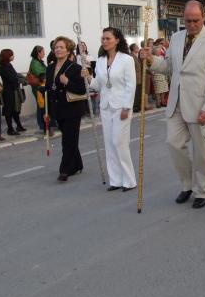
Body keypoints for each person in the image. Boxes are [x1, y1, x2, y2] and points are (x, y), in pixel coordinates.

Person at [141, 0, 205, 209]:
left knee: (201, 152)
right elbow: (169, 67)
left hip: (200, 105)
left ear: (203, 18)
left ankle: (202, 190)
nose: (191, 24)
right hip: (176, 102)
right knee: (173, 143)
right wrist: (151, 59)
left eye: (196, 20)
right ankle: (187, 185)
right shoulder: (177, 38)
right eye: (188, 21)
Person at [83, 27, 137, 192]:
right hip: (105, 106)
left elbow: (131, 85)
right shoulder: (100, 61)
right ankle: (116, 180)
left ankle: (129, 180)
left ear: (117, 40)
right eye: (103, 39)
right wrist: (88, 77)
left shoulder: (126, 59)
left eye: (108, 38)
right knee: (109, 143)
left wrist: (127, 107)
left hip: (121, 106)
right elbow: (98, 85)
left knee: (119, 142)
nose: (105, 41)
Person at [45, 36, 88, 182]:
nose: (58, 50)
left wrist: (68, 82)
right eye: (56, 47)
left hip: (72, 109)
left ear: (68, 50)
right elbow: (49, 87)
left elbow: (82, 89)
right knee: (70, 138)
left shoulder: (75, 68)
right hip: (58, 108)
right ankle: (77, 164)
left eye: (61, 47)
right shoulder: (50, 67)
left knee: (68, 140)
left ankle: (65, 170)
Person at [0, 49, 26, 136]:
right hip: (8, 92)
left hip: (13, 90)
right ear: (7, 56)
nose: (13, 56)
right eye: (12, 55)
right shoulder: (4, 66)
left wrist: (20, 78)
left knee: (15, 109)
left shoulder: (9, 65)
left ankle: (19, 125)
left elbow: (15, 75)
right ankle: (10, 129)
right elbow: (12, 78)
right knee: (9, 110)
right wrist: (19, 80)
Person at [28, 45, 47, 131]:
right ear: (38, 53)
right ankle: (42, 124)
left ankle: (45, 124)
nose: (44, 53)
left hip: (42, 86)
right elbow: (40, 74)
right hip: (38, 87)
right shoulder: (35, 63)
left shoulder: (39, 61)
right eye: (43, 51)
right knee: (41, 105)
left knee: (43, 105)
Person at [151, 42, 169, 107]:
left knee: (164, 90)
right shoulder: (153, 57)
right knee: (158, 90)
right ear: (154, 52)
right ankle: (158, 102)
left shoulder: (162, 57)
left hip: (163, 76)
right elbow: (151, 67)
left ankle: (163, 101)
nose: (159, 52)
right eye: (158, 51)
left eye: (159, 51)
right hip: (157, 75)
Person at [129, 43, 143, 112]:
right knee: (135, 92)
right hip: (135, 77)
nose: (138, 48)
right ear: (133, 49)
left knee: (138, 92)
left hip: (139, 77)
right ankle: (135, 106)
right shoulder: (131, 56)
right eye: (136, 47)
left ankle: (137, 105)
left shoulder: (136, 56)